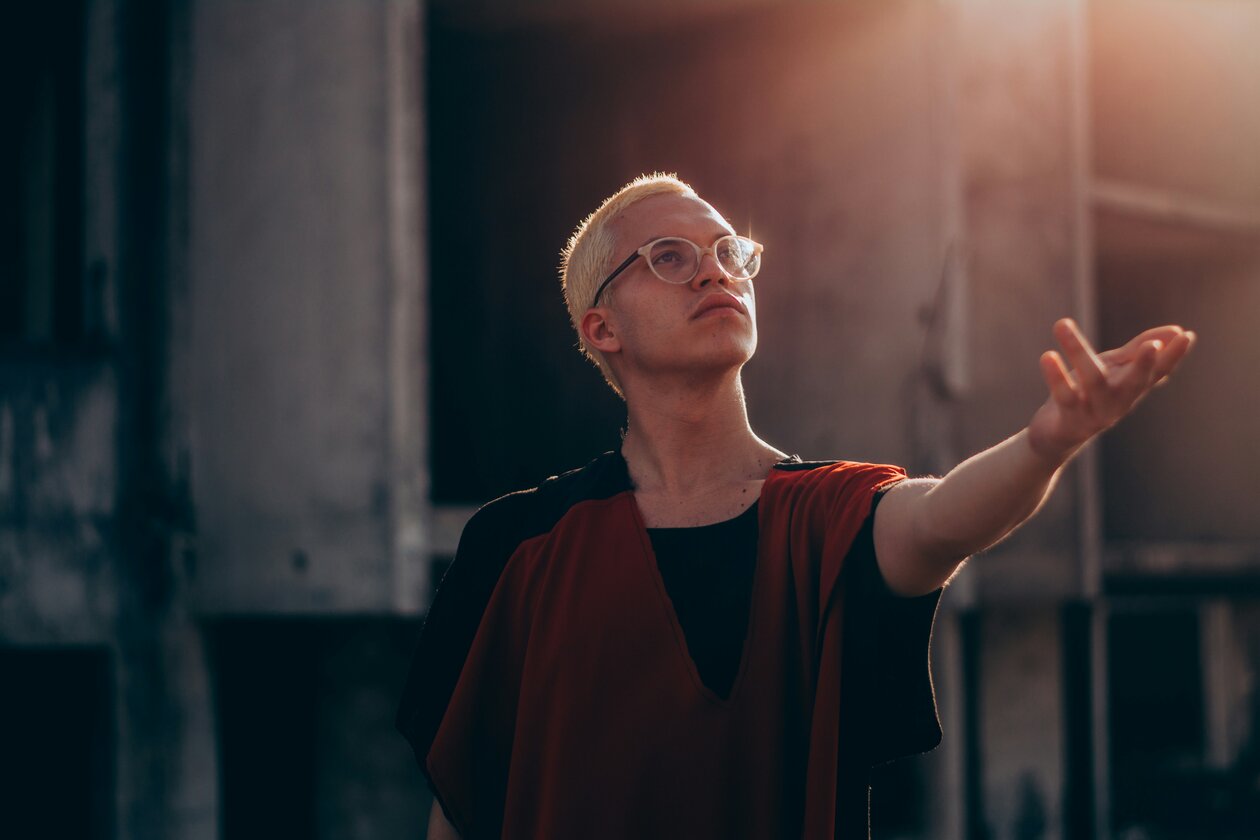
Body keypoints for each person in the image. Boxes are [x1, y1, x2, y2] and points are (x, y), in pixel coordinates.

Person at [396, 173, 1195, 839]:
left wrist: (1045, 444)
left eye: (728, 253)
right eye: (669, 257)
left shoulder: (828, 516)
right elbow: (462, 806)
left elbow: (942, 517)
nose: (715, 273)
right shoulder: (517, 544)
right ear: (602, 328)